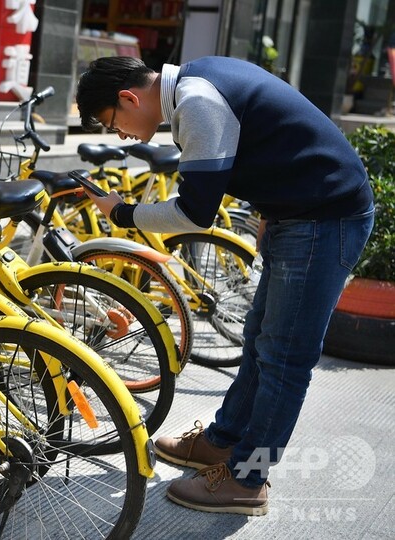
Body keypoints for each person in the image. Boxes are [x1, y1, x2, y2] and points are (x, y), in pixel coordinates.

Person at [75, 56, 375, 516]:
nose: (120, 136)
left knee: (284, 360)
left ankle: (248, 480)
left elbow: (195, 212)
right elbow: (270, 143)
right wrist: (267, 213)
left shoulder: (197, 101)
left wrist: (122, 213)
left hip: (323, 219)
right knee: (258, 342)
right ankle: (223, 441)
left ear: (128, 98)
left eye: (112, 123)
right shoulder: (197, 80)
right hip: (297, 214)